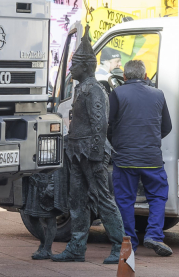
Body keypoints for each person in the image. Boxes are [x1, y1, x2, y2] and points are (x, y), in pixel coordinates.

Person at [52, 28, 125, 264]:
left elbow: (100, 125)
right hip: (76, 153)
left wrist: (95, 154)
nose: (71, 69)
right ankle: (76, 247)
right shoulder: (81, 88)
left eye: (74, 65)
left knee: (103, 199)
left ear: (85, 67)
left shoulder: (94, 90)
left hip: (90, 153)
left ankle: (120, 247)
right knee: (77, 201)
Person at [109, 59, 173, 257]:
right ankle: (154, 235)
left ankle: (129, 243)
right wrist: (151, 140)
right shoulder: (158, 94)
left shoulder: (117, 93)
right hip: (151, 159)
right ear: (145, 76)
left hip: (124, 159)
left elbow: (107, 124)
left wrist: (116, 142)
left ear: (124, 76)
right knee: (158, 196)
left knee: (125, 200)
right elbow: (167, 127)